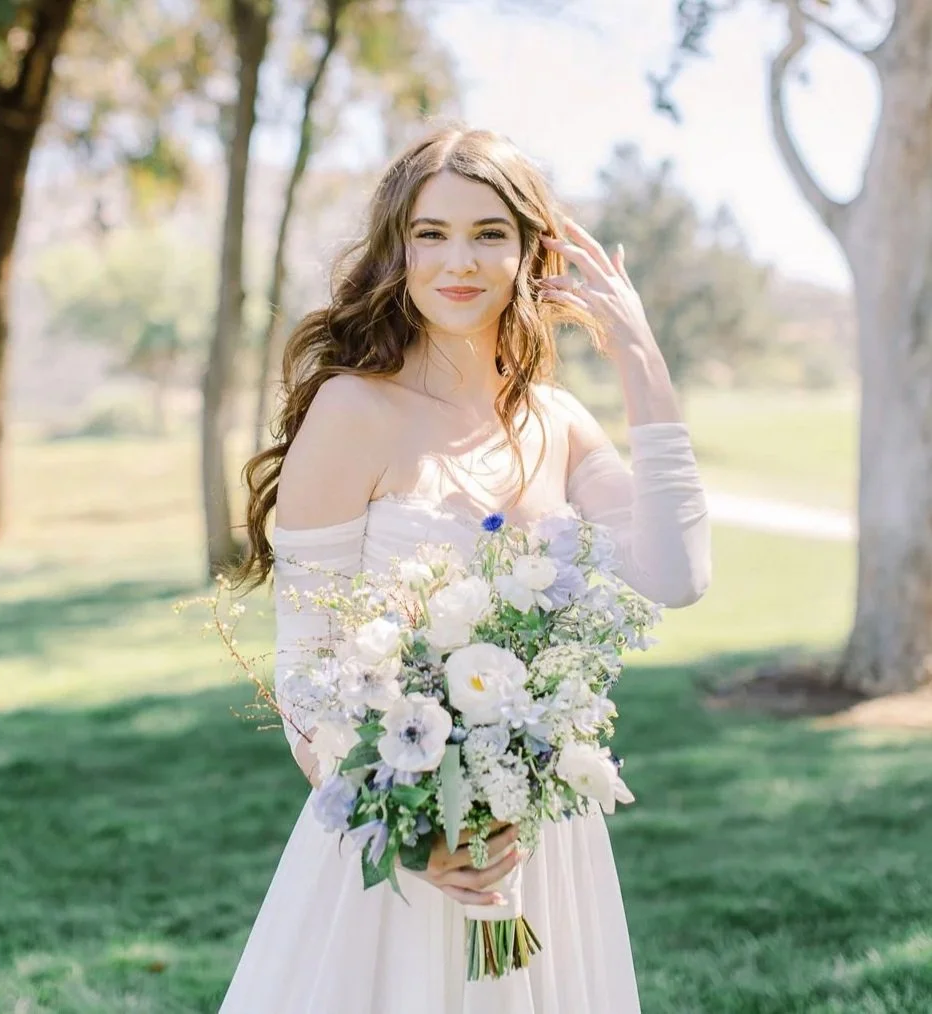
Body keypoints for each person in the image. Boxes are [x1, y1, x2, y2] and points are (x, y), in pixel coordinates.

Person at [220, 123, 711, 1013]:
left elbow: (676, 575)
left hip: (543, 840)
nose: (461, 261)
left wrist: (640, 357)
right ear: (397, 251)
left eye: (490, 233)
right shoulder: (352, 410)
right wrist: (408, 825)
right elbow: (306, 663)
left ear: (532, 251)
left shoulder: (558, 422)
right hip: (399, 831)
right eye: (431, 233)